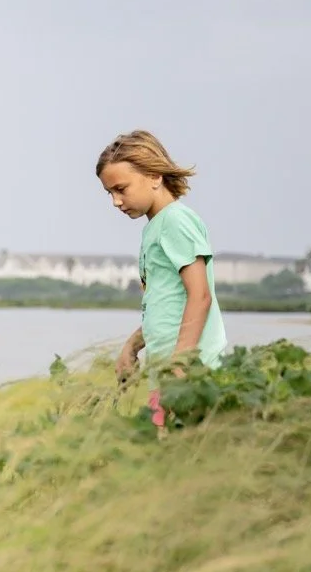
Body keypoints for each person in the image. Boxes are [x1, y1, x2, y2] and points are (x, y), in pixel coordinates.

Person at [95, 130, 227, 429]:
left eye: (121, 188)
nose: (116, 201)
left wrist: (179, 365)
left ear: (154, 176)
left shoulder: (175, 220)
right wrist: (131, 347)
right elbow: (165, 304)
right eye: (110, 193)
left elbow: (200, 295)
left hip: (187, 376)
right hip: (167, 374)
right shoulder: (155, 227)